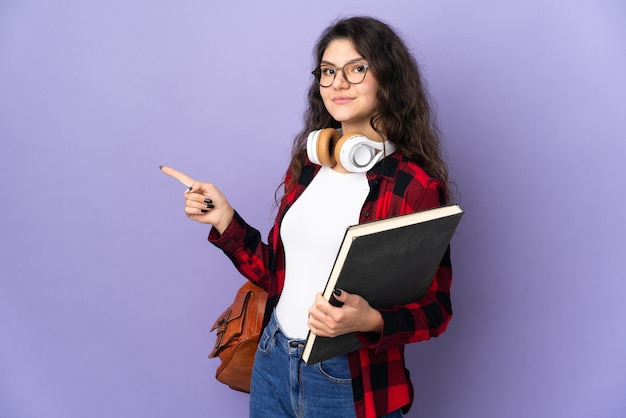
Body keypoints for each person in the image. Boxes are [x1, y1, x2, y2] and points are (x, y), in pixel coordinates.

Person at [162, 16, 454, 418]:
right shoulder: (308, 165)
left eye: (357, 69)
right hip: (273, 359)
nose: (338, 83)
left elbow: (436, 309)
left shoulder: (414, 187)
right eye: (329, 71)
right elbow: (277, 276)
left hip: (347, 381)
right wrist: (224, 219)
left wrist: (370, 320)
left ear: (388, 79)